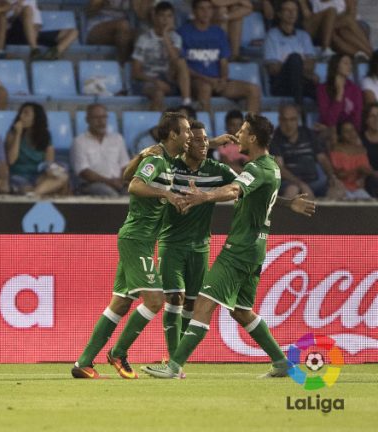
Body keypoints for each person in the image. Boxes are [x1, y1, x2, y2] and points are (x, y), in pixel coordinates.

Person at [123, 121, 315, 360]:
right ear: (185, 143)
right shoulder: (171, 165)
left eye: (206, 140)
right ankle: (173, 361)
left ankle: (177, 361)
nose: (204, 144)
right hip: (171, 242)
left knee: (194, 304)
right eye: (197, 140)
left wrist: (287, 203)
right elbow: (131, 178)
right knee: (176, 298)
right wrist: (142, 155)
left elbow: (249, 191)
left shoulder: (219, 170)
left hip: (201, 246)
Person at [72, 112, 189, 379]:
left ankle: (83, 363)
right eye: (185, 131)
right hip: (137, 239)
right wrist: (166, 192)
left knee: (121, 303)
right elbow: (134, 185)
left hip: (141, 239)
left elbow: (127, 174)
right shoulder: (157, 160)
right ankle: (118, 352)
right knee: (155, 301)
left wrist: (139, 157)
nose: (190, 136)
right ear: (173, 134)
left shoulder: (165, 159)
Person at [178, 0, 260, 112]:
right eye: (202, 8)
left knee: (253, 90)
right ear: (194, 11)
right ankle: (205, 123)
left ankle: (250, 124)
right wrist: (208, 80)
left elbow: (224, 62)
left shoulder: (219, 32)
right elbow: (182, 67)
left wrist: (223, 79)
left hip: (217, 82)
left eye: (209, 8)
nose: (206, 12)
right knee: (205, 88)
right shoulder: (183, 33)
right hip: (196, 81)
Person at [131, 1, 191, 111]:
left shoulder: (176, 37)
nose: (165, 20)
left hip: (168, 80)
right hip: (147, 81)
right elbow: (135, 72)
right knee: (158, 93)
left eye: (169, 16)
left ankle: (186, 103)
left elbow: (175, 60)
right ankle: (156, 120)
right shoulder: (144, 38)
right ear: (155, 17)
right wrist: (155, 81)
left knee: (181, 62)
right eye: (162, 16)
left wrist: (165, 36)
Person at [272, 104, 341, 198]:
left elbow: (322, 159)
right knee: (293, 189)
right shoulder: (275, 138)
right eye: (285, 120)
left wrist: (331, 176)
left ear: (298, 120)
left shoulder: (308, 133)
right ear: (279, 120)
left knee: (338, 187)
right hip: (290, 182)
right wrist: (301, 184)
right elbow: (279, 168)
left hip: (313, 182)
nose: (288, 124)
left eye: (292, 119)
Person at [5, 102, 68, 197]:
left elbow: (49, 163)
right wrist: (18, 134)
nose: (21, 116)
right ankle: (35, 193)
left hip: (38, 176)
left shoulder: (45, 136)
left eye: (26, 113)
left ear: (36, 118)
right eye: (21, 113)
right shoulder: (12, 134)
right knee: (27, 188)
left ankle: (34, 193)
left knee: (63, 177)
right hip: (18, 175)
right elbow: (11, 160)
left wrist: (53, 172)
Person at [263, 0, 319, 107]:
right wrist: (295, 64)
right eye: (287, 10)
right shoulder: (272, 36)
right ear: (279, 14)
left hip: (303, 81)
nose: (292, 13)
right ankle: (299, 107)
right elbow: (273, 68)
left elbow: (311, 65)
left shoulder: (304, 36)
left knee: (325, 89)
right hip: (281, 84)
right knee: (294, 58)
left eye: (294, 10)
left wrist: (291, 66)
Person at [70, 104, 130, 197]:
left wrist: (121, 181)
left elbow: (125, 165)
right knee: (110, 194)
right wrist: (109, 182)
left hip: (118, 183)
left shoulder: (117, 139)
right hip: (92, 184)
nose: (101, 121)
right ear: (87, 120)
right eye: (96, 118)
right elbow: (83, 171)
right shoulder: (79, 141)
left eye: (103, 117)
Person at [5, 0, 78, 61]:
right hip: (17, 31)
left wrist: (36, 27)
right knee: (27, 9)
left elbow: (37, 22)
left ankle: (53, 52)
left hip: (35, 32)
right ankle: (34, 51)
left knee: (74, 32)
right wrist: (15, 14)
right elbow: (4, 21)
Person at [262, 0, 336, 58]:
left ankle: (325, 49)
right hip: (285, 30)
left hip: (303, 30)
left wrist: (302, 2)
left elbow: (307, 16)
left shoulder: (304, 2)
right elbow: (269, 14)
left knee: (332, 12)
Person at [317, 53, 362, 135]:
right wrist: (339, 94)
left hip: (349, 132)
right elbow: (327, 121)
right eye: (346, 63)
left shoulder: (355, 89)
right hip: (329, 133)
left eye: (350, 63)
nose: (350, 66)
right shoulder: (322, 88)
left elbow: (357, 118)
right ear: (336, 65)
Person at [330, 120, 375, 200]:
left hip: (358, 188)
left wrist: (364, 176)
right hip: (342, 189)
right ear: (340, 135)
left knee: (370, 203)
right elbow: (339, 175)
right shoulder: (336, 150)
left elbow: (367, 170)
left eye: (352, 130)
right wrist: (357, 170)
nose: (351, 134)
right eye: (346, 131)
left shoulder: (361, 150)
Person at [361, 103, 378, 197]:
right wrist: (373, 173)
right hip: (368, 178)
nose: (376, 119)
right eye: (372, 116)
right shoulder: (359, 139)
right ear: (366, 119)